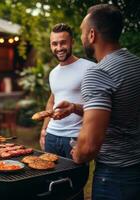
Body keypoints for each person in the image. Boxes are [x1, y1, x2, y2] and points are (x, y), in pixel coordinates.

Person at [71, 4, 140, 200]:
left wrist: (77, 153)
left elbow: (90, 145)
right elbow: (119, 108)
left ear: (92, 35)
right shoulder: (136, 64)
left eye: (83, 32)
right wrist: (76, 107)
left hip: (114, 178)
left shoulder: (98, 72)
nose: (82, 37)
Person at [39, 23, 95, 159]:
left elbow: (97, 106)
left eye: (63, 43)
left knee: (74, 180)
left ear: (72, 43)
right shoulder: (53, 73)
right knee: (49, 178)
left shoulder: (90, 68)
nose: (59, 48)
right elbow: (52, 101)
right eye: (54, 44)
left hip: (74, 138)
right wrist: (44, 129)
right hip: (51, 136)